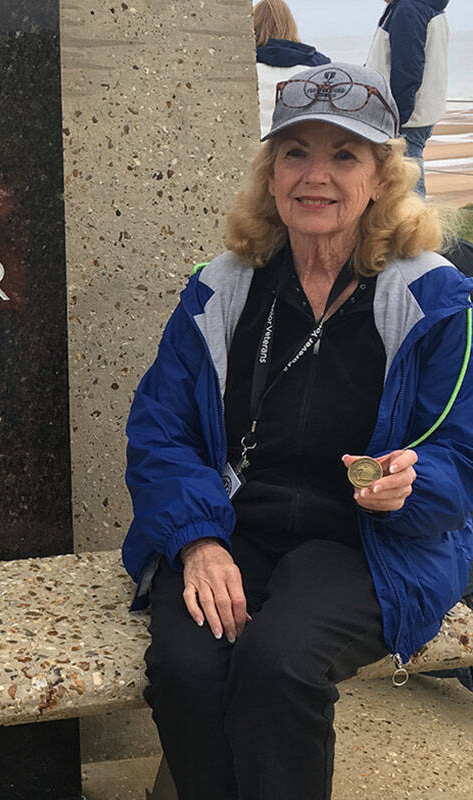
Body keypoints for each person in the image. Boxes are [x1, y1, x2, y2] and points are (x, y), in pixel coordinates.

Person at [123, 62, 473, 800]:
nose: (316, 176)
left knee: (278, 662)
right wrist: (198, 540)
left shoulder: (434, 299)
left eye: (344, 155)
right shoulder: (222, 287)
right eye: (296, 152)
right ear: (271, 173)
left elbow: (460, 457)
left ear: (381, 177)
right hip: (234, 525)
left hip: (368, 543)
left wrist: (409, 486)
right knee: (186, 667)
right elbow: (160, 429)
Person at [366, 0, 449, 196]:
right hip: (419, 114)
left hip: (405, 119)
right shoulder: (422, 7)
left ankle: (416, 227)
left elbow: (406, 72)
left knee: (408, 189)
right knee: (404, 185)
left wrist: (394, 121)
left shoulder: (408, 9)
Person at [253, 0, 330, 137]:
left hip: (254, 143)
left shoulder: (241, 66)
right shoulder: (319, 66)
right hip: (300, 143)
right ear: (291, 25)